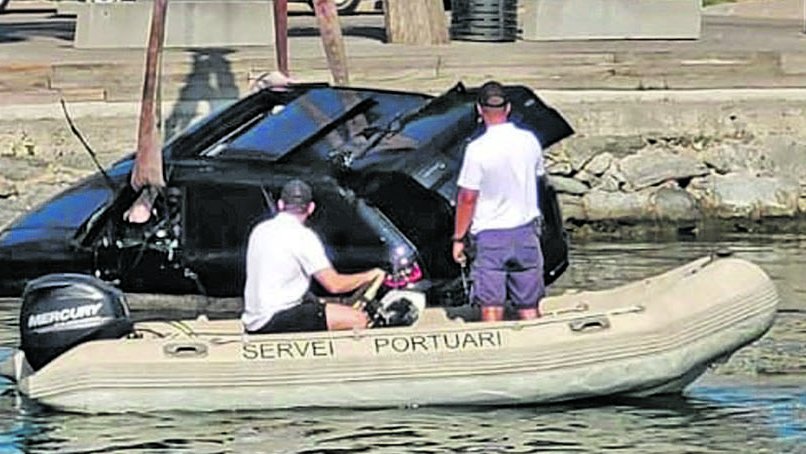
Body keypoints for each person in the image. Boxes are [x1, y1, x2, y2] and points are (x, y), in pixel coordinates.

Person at [452, 81, 546, 322]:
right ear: (508, 108)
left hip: (491, 237)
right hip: (526, 233)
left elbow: (467, 198)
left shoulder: (477, 149)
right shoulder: (529, 141)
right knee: (529, 306)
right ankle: (536, 348)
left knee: (491, 305)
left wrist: (459, 238)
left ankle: (494, 353)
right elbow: (539, 179)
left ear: (478, 110)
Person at [242, 179, 386, 334]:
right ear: (310, 208)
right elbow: (334, 285)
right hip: (275, 317)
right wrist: (371, 275)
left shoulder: (260, 230)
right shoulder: (303, 237)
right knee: (358, 319)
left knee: (325, 309)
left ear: (280, 204)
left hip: (255, 318)